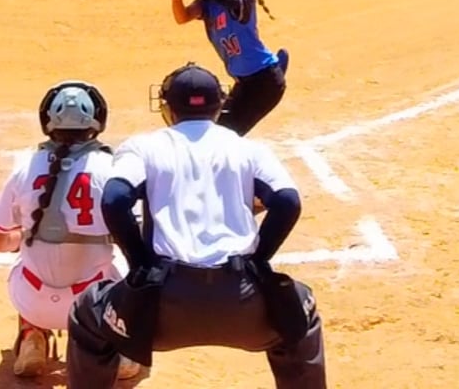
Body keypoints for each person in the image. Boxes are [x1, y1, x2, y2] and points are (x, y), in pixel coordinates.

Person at [64, 63, 326, 389]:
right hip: (244, 303)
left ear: (168, 108)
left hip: (155, 311)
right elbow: (287, 202)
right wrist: (259, 260)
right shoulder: (249, 149)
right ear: (220, 105)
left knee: (87, 314)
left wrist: (140, 263)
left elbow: (115, 199)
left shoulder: (143, 147)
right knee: (299, 319)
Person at [0, 82, 146, 381]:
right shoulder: (111, 168)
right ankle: (117, 348)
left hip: (32, 300)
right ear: (97, 120)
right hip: (90, 306)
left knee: (27, 254)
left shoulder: (25, 168)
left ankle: (32, 334)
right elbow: (139, 237)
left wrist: (26, 237)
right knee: (125, 259)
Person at [165, 0, 287, 135]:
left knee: (223, 134)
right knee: (221, 131)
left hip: (263, 83)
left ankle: (277, 71)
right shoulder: (208, 0)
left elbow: (230, 0)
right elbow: (183, 17)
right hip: (246, 82)